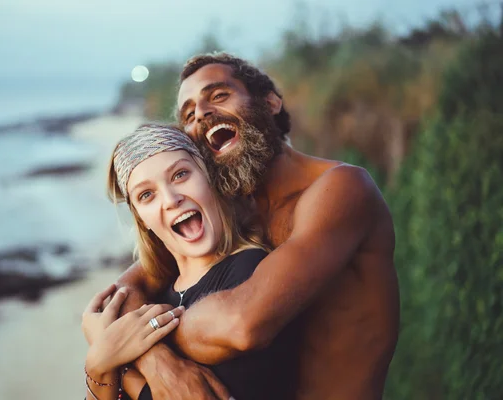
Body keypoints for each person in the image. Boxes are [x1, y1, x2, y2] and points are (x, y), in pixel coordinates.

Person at [108, 53, 400, 400]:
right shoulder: (234, 215)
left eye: (218, 95)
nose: (201, 113)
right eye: (188, 114)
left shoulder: (341, 190)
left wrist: (132, 343)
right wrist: (156, 360)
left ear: (270, 102)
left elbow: (242, 324)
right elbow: (123, 296)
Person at [82, 124, 295, 400]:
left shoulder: (249, 271)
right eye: (147, 195)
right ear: (142, 220)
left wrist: (110, 360)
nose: (171, 199)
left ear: (209, 178)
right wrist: (98, 364)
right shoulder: (155, 296)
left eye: (180, 174)